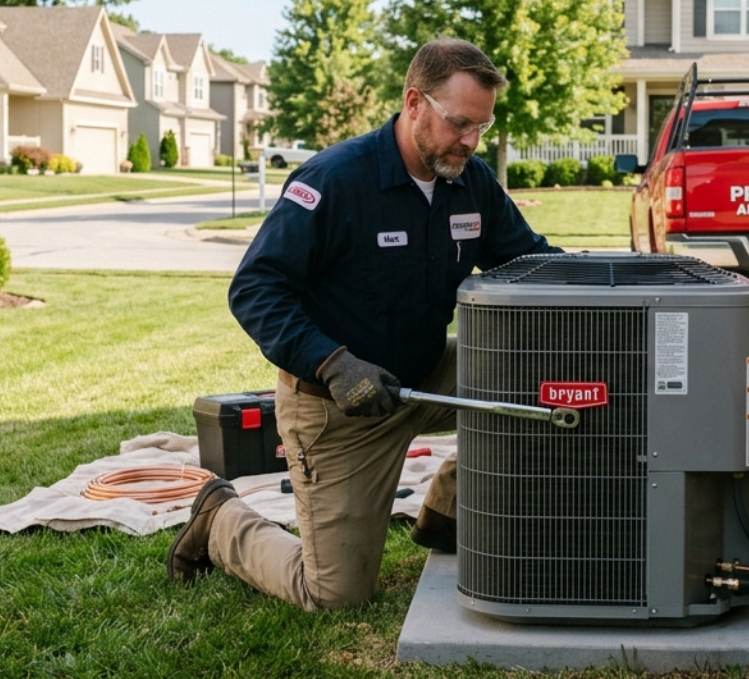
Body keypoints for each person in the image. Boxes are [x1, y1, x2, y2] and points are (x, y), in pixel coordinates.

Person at [167, 38, 558, 610]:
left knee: (552, 391)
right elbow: (255, 288)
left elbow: (529, 265)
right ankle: (219, 519)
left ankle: (446, 516)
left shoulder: (468, 181)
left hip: (423, 374)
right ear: (414, 102)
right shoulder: (334, 181)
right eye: (459, 124)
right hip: (338, 406)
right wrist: (332, 363)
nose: (471, 142)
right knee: (334, 594)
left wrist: (614, 284)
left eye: (482, 126)